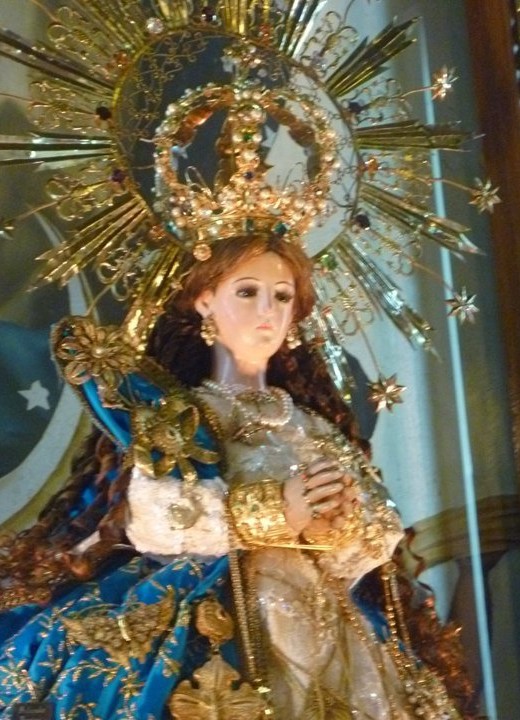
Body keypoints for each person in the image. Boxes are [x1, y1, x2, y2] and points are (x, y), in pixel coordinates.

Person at [0, 231, 473, 719]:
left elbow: (381, 526)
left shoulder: (313, 427)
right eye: (247, 291)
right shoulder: (182, 415)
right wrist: (276, 512)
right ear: (205, 301)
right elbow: (155, 514)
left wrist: (338, 527)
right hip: (218, 613)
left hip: (329, 623)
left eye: (282, 296)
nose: (267, 309)